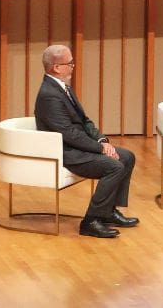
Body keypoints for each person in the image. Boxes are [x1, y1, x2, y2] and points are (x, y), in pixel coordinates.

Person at [34, 45, 139, 239]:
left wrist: (102, 140)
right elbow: (69, 133)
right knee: (114, 166)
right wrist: (100, 149)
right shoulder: (49, 95)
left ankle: (108, 211)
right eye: (70, 63)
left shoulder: (63, 88)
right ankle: (90, 221)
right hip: (67, 152)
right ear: (56, 67)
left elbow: (84, 121)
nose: (73, 66)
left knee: (127, 157)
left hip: (79, 146)